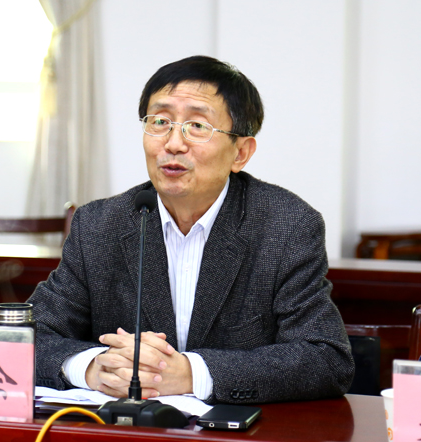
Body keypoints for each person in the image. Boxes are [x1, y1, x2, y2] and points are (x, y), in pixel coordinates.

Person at [28, 55, 354, 405]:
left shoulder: (286, 226)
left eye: (197, 126)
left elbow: (326, 358)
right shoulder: (100, 225)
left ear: (241, 153)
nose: (173, 143)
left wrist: (191, 373)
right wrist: (94, 367)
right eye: (160, 122)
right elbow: (25, 336)